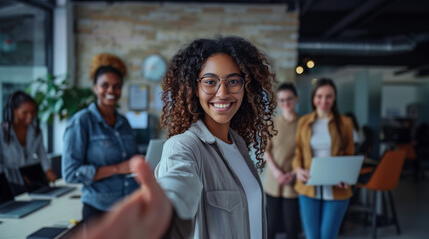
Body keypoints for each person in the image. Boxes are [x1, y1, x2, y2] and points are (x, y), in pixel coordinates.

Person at [79, 36, 277, 239]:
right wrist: (164, 212)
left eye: (233, 81)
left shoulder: (239, 144)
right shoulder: (184, 146)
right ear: (195, 89)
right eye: (210, 82)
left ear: (246, 87)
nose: (223, 92)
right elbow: (177, 186)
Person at [62, 53, 139, 222]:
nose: (111, 90)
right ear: (95, 88)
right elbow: (70, 173)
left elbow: (130, 162)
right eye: (105, 85)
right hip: (99, 210)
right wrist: (118, 168)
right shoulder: (82, 122)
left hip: (128, 206)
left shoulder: (124, 122)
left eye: (116, 86)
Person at [292, 78, 354, 239]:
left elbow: (349, 154)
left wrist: (346, 176)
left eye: (329, 96)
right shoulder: (304, 122)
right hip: (308, 188)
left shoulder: (345, 123)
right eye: (319, 96)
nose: (324, 101)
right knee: (312, 236)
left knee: (327, 236)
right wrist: (298, 170)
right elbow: (297, 152)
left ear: (334, 98)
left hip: (337, 188)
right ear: (313, 98)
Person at [0, 91, 57, 195]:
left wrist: (47, 170)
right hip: (9, 183)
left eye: (33, 112)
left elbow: (42, 152)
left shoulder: (35, 131)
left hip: (31, 179)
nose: (30, 116)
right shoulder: (2, 132)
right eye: (25, 112)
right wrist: (17, 175)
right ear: (14, 111)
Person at [263, 83, 301, 239]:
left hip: (294, 181)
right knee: (270, 226)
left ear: (296, 99)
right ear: (279, 102)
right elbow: (266, 150)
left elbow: (305, 154)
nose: (286, 103)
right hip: (273, 180)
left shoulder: (304, 124)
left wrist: (292, 174)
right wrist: (277, 172)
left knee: (292, 227)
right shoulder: (272, 123)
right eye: (282, 100)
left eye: (289, 99)